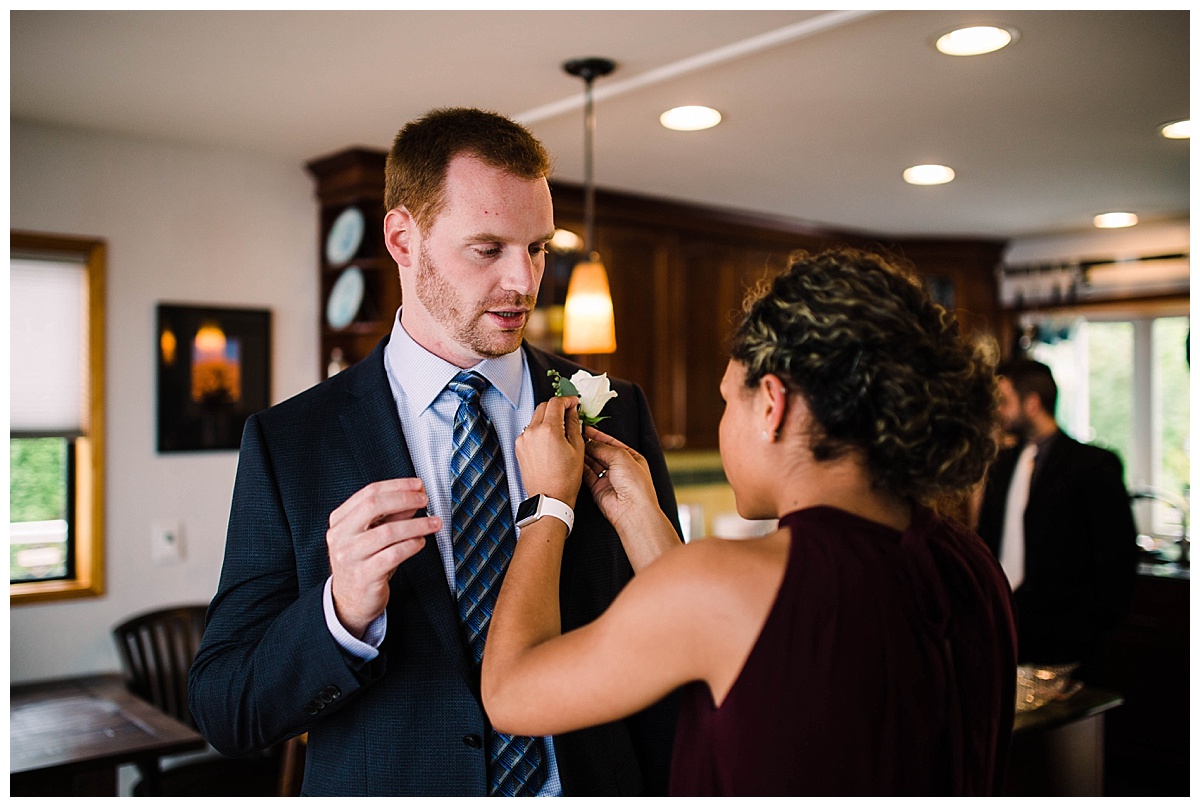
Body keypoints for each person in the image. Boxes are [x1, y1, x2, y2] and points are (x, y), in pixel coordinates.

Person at [187, 107, 681, 797]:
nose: (525, 281)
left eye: (537, 247)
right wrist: (341, 613)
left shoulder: (615, 409)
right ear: (402, 238)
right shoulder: (291, 442)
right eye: (489, 248)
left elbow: (672, 640)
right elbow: (225, 708)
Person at [483, 246, 1018, 796]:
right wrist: (638, 515)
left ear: (771, 405)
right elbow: (746, 656)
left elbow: (510, 694)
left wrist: (547, 504)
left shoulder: (730, 585)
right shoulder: (967, 561)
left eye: (725, 402)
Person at [976, 358, 1137, 682]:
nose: (998, 411)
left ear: (1032, 403)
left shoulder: (1092, 466)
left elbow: (1117, 562)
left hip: (1069, 646)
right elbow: (986, 541)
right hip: (1004, 632)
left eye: (1004, 401)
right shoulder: (1000, 465)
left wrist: (1087, 634)